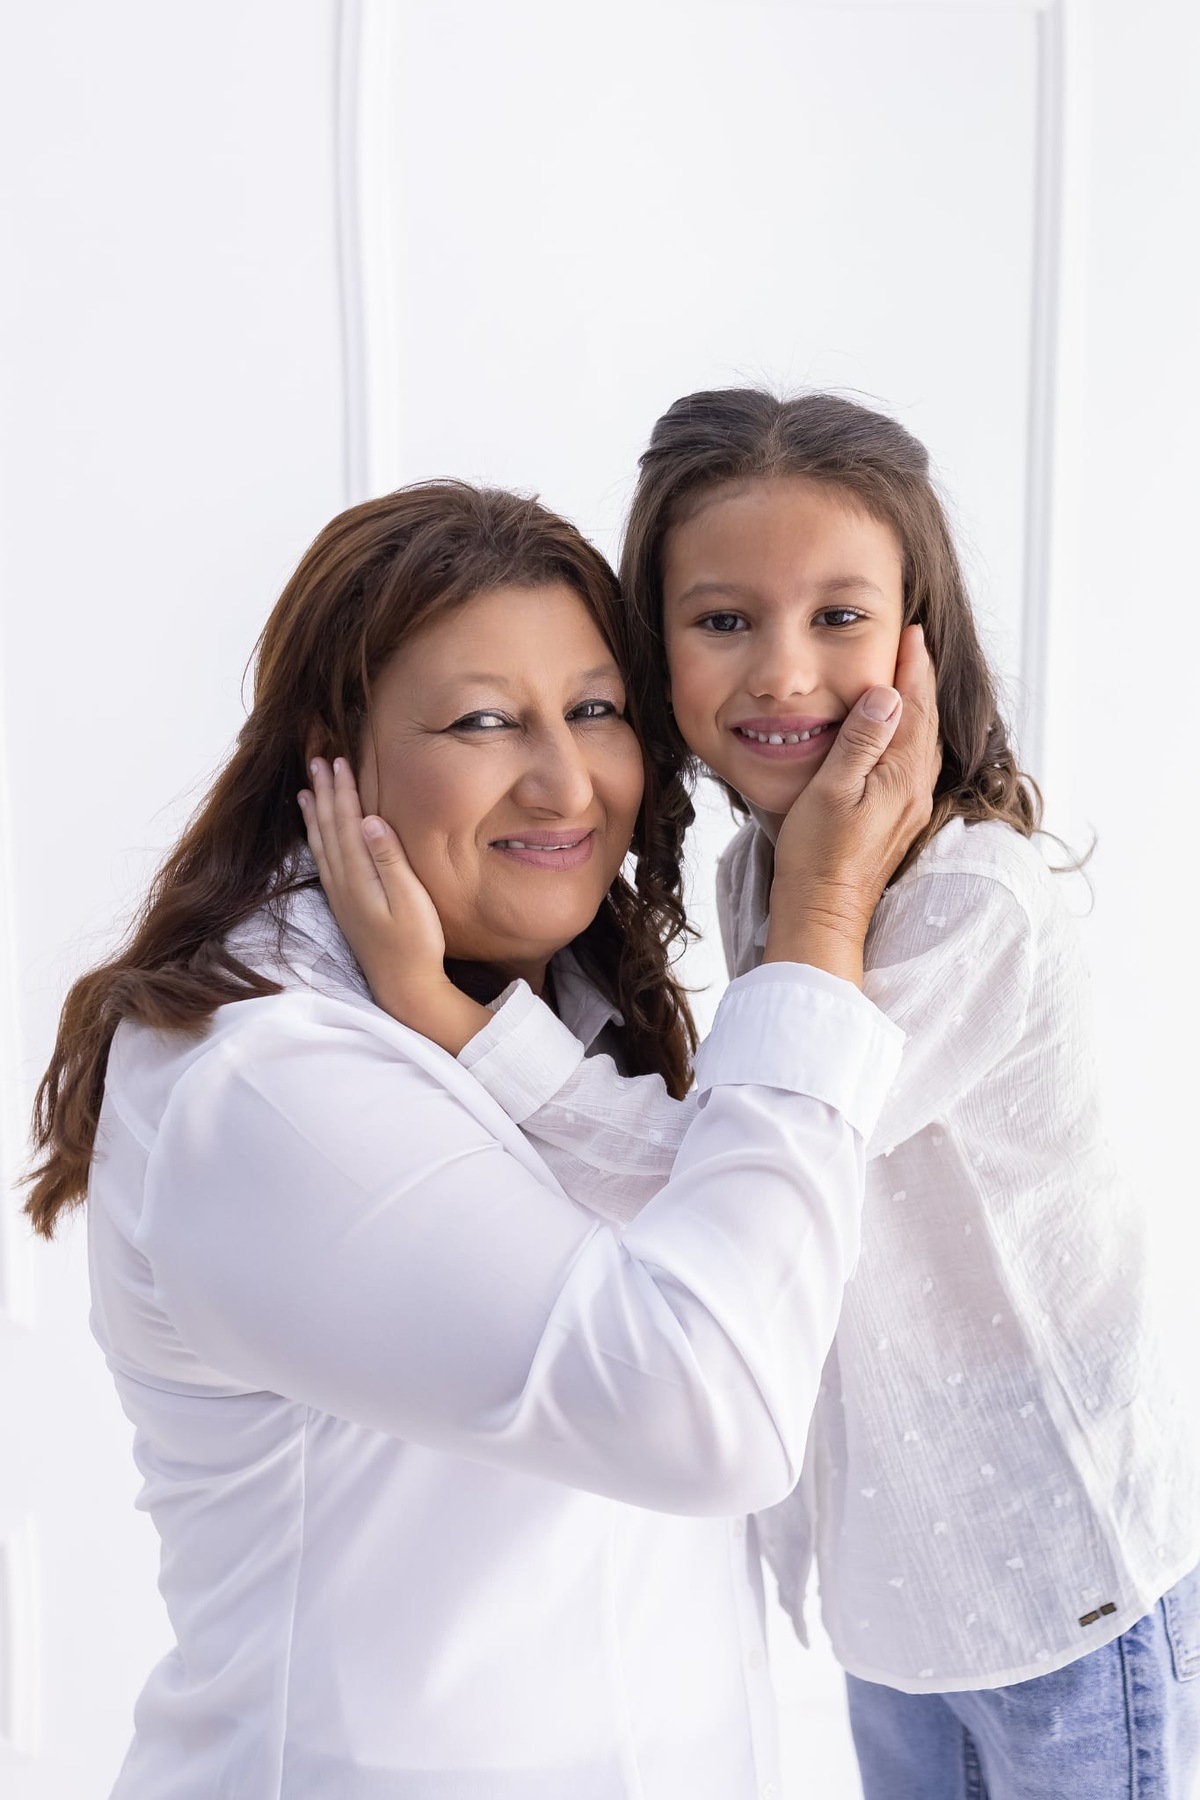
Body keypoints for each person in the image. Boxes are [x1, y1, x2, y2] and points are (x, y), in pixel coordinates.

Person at [324, 398, 1200, 1799]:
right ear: (653, 651)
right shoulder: (767, 876)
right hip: (905, 1588)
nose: (784, 674)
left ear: (921, 637)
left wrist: (442, 1011)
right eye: (724, 622)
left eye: (839, 618)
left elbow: (736, 1151)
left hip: (1059, 1578)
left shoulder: (971, 899)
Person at [26, 480, 938, 1799]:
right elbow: (712, 1410)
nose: (566, 780)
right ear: (334, 752)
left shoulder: (524, 991)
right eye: (483, 721)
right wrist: (819, 926)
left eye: (593, 710)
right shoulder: (262, 1084)